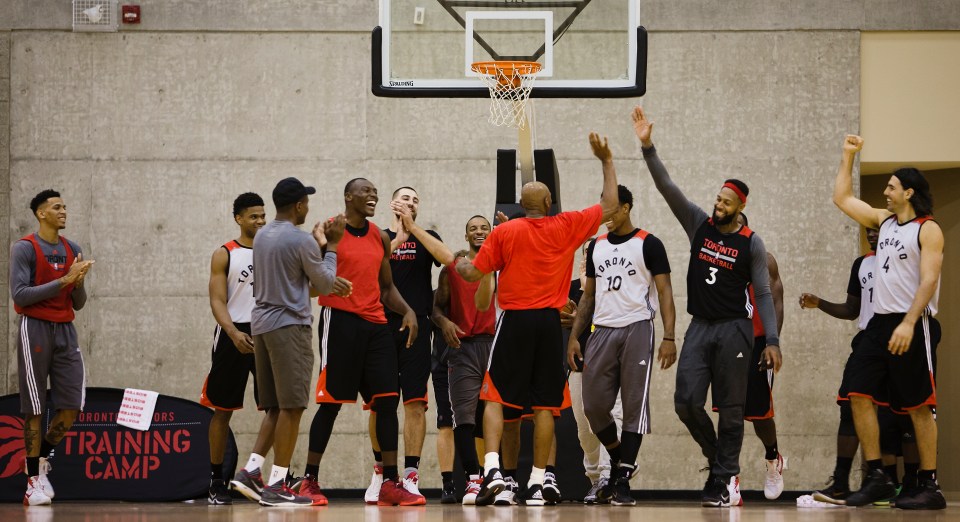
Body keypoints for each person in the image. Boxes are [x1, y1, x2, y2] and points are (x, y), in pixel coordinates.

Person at [455, 132, 620, 506]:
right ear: (547, 203)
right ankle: (537, 482)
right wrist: (606, 160)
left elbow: (474, 274)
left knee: (495, 397)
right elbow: (610, 205)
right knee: (546, 406)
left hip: (513, 321)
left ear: (521, 205)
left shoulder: (504, 232)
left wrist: (461, 263)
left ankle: (494, 470)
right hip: (548, 324)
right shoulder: (566, 226)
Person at [632, 106, 782, 508]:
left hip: (735, 328)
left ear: (739, 206)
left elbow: (764, 294)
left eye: (726, 201)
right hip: (700, 326)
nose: (718, 204)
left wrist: (772, 340)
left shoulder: (751, 242)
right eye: (717, 197)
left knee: (732, 410)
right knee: (686, 402)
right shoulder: (699, 224)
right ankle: (718, 461)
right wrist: (648, 147)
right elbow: (668, 188)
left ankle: (727, 481)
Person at [831, 135, 944, 510]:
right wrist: (848, 156)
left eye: (892, 187)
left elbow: (928, 280)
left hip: (912, 322)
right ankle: (878, 476)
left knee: (918, 406)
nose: (886, 191)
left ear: (909, 192)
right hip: (878, 324)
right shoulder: (885, 221)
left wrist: (909, 322)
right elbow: (842, 199)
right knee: (857, 393)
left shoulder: (927, 229)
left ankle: (930, 485)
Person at [307, 178, 424, 507]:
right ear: (348, 196)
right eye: (366, 192)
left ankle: (390, 482)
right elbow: (311, 278)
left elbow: (386, 288)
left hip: (376, 326)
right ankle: (308, 480)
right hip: (340, 321)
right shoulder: (330, 229)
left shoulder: (378, 236)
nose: (372, 197)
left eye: (375, 193)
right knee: (330, 405)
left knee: (387, 402)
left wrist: (408, 310)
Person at [567, 184, 677, 506]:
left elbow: (666, 291)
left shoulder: (649, 243)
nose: (605, 216)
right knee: (594, 407)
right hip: (600, 330)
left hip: (637, 327)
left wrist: (669, 336)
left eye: (611, 208)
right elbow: (588, 295)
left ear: (626, 207)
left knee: (632, 408)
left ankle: (623, 479)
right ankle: (619, 461)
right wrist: (575, 336)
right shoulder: (595, 246)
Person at [799, 228, 917, 506]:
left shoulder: (907, 256)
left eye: (878, 229)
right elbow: (852, 309)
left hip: (900, 335)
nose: (873, 234)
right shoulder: (861, 263)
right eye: (868, 231)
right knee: (849, 405)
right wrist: (821, 304)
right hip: (867, 339)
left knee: (905, 413)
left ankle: (912, 484)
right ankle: (841, 483)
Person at [250, 177, 344, 507]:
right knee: (293, 407)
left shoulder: (262, 235)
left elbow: (295, 278)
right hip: (289, 327)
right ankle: (276, 484)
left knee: (276, 406)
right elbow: (326, 283)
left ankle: (251, 470)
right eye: (307, 202)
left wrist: (316, 255)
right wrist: (330, 245)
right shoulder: (301, 240)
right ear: (299, 206)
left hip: (261, 325)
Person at [12, 189, 95, 506]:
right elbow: (20, 295)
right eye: (56, 207)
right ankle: (32, 482)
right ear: (40, 213)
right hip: (33, 327)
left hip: (65, 330)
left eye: (65, 206)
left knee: (72, 406)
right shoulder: (25, 248)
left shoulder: (72, 248)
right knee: (34, 406)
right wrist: (63, 281)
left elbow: (80, 302)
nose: (63, 211)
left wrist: (77, 283)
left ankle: (40, 458)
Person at [362, 187, 441, 504]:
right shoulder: (377, 236)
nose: (411, 202)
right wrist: (398, 231)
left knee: (415, 403)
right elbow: (366, 271)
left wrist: (413, 227)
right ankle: (381, 473)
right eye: (405, 198)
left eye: (416, 199)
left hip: (417, 328)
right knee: (379, 403)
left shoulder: (425, 236)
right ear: (393, 204)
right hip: (380, 327)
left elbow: (445, 258)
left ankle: (410, 475)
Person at [200, 193, 278, 505]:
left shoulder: (271, 252)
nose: (260, 221)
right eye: (253, 216)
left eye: (262, 216)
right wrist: (232, 333)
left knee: (276, 407)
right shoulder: (224, 253)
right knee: (222, 409)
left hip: (266, 333)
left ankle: (257, 474)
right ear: (239, 219)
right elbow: (217, 299)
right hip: (233, 333)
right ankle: (216, 480)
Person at [429, 215, 497, 505]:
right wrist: (444, 323)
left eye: (484, 228)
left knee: (499, 416)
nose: (479, 232)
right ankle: (473, 480)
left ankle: (500, 477)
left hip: (495, 345)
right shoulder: (453, 268)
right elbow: (436, 309)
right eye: (473, 228)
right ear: (466, 235)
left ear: (491, 233)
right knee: (464, 418)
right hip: (464, 347)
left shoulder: (502, 265)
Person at [563, 240, 624, 504]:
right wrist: (572, 318)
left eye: (595, 252)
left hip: (611, 362)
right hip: (580, 363)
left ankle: (612, 477)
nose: (590, 256)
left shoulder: (615, 285)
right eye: (586, 253)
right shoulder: (571, 288)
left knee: (614, 418)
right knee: (584, 429)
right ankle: (595, 479)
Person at [736, 213, 787, 500]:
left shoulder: (764, 259)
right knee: (728, 410)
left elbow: (776, 299)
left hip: (757, 341)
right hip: (729, 341)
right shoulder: (718, 258)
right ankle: (730, 475)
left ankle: (772, 459)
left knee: (758, 412)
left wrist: (773, 342)